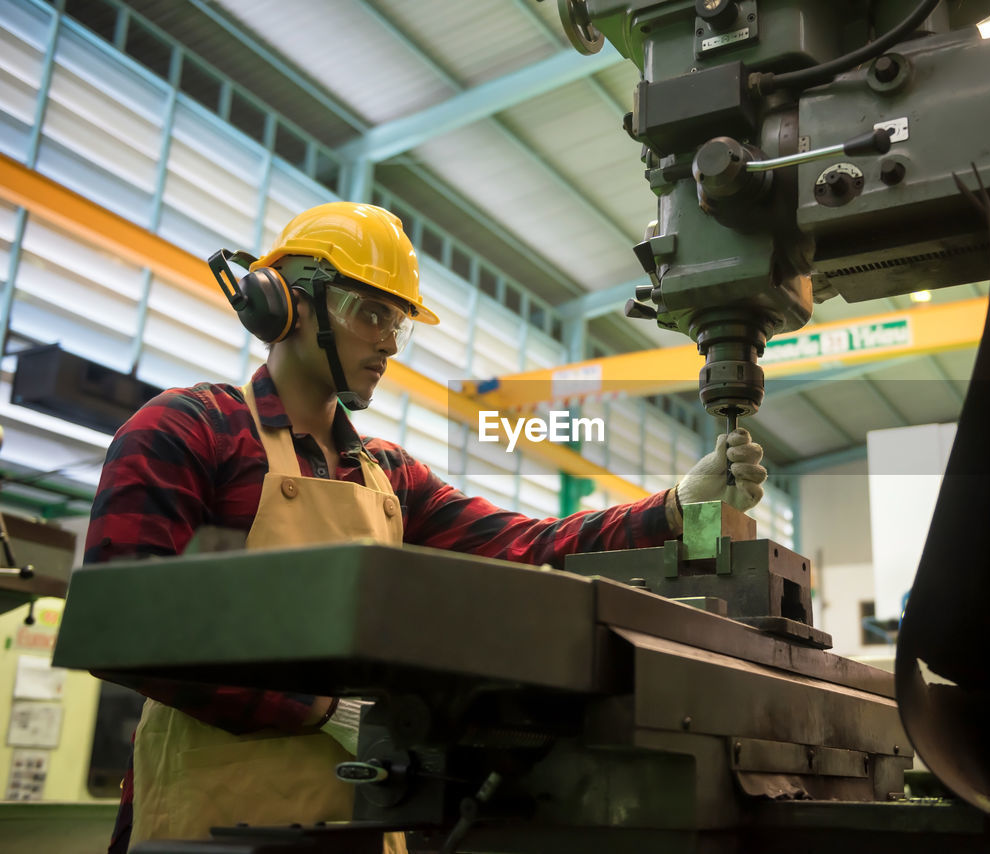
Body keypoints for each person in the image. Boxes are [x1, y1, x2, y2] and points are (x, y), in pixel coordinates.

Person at [81, 202, 767, 852]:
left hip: (361, 822)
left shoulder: (390, 476)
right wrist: (318, 711)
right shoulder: (189, 429)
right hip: (201, 824)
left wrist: (675, 506)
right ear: (282, 303)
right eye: (370, 314)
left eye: (396, 324)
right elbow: (123, 632)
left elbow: (528, 546)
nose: (388, 343)